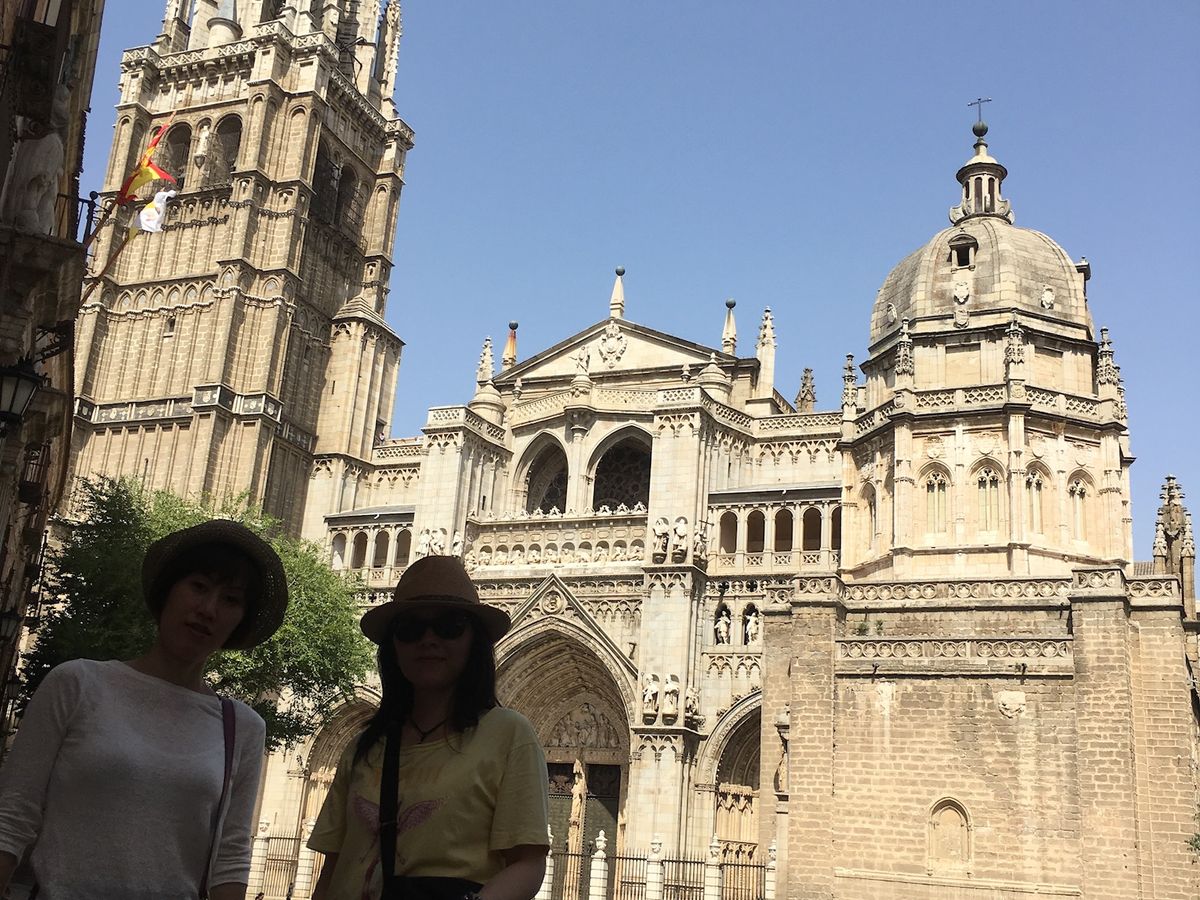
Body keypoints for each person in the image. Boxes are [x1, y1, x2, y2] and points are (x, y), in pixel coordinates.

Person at [0, 520, 289, 899]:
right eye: (198, 587)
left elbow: (230, 856)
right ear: (168, 591)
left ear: (239, 622)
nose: (208, 609)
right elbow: (12, 816)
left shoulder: (243, 728)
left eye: (231, 600)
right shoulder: (76, 684)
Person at [309, 555, 549, 900]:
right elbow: (333, 869)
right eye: (410, 628)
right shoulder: (363, 746)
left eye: (450, 626)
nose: (429, 639)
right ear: (393, 646)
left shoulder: (508, 734)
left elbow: (527, 863)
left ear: (474, 640)